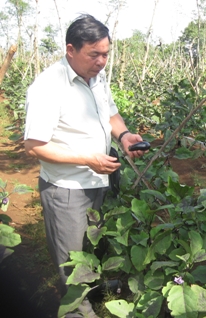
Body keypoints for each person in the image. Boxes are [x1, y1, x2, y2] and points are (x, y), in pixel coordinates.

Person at [24, 14, 145, 317]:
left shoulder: (96, 77)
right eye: (95, 54)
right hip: (67, 189)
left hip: (99, 182)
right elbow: (34, 145)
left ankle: (94, 293)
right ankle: (78, 310)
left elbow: (111, 115)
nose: (102, 61)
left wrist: (125, 136)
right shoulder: (49, 86)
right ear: (70, 50)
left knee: (92, 246)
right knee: (71, 259)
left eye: (106, 53)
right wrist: (87, 159)